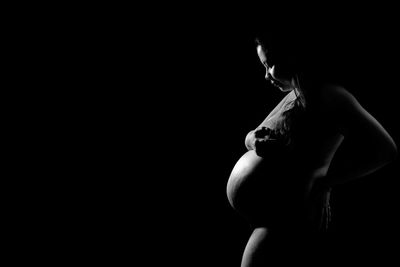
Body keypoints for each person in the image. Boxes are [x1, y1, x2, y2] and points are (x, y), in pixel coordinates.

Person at [226, 31, 397, 266]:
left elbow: (385, 149)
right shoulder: (295, 94)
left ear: (291, 56)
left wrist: (326, 181)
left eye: (270, 65)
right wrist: (254, 141)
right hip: (269, 216)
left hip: (287, 218)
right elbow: (250, 136)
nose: (266, 76)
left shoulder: (331, 96)